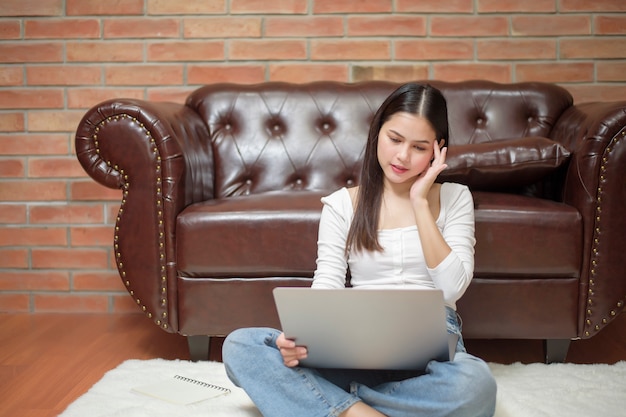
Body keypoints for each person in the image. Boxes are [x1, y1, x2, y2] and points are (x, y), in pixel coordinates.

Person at [222, 83, 497, 417]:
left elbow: (453, 287)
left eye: (419, 147)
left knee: (476, 384)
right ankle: (359, 412)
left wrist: (419, 202)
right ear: (377, 132)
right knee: (240, 346)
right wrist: (303, 338)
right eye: (394, 139)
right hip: (355, 341)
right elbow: (327, 281)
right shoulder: (342, 204)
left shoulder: (455, 197)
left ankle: (337, 403)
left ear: (438, 150)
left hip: (430, 351)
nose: (402, 157)